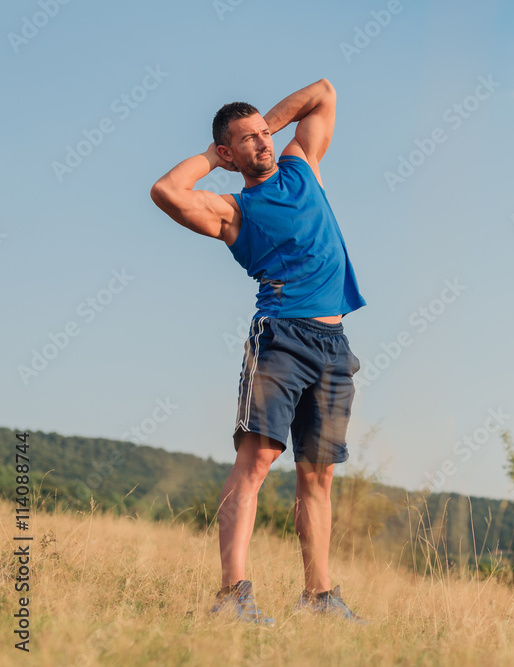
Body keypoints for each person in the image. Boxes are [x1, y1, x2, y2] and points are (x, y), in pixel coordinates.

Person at [150, 79, 367, 624]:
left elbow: (323, 92)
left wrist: (266, 120)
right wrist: (210, 158)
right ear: (229, 153)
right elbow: (166, 192)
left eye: (264, 133)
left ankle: (319, 600)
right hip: (281, 339)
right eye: (245, 140)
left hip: (334, 344)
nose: (262, 142)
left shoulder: (302, 165)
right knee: (257, 463)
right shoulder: (232, 210)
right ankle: (233, 598)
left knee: (318, 476)